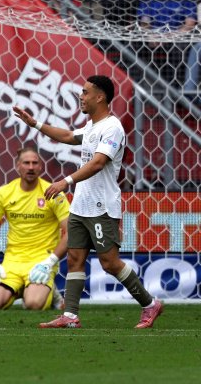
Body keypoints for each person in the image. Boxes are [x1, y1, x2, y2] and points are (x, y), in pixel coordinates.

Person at [13, 76, 164, 329]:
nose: (80, 97)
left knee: (110, 263)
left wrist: (66, 182)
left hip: (101, 206)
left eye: (85, 92)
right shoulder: (92, 126)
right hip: (81, 205)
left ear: (100, 97)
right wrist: (35, 123)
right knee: (74, 257)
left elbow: (98, 162)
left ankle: (150, 304)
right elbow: (68, 135)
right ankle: (70, 316)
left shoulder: (112, 127)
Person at [0, 146, 69, 311]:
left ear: (40, 167)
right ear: (17, 166)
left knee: (34, 304)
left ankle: (50, 292)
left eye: (35, 163)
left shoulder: (53, 193)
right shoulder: (5, 192)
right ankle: (21, 288)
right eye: (26, 163)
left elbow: (70, 232)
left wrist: (50, 263)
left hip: (41, 261)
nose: (31, 167)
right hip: (12, 262)